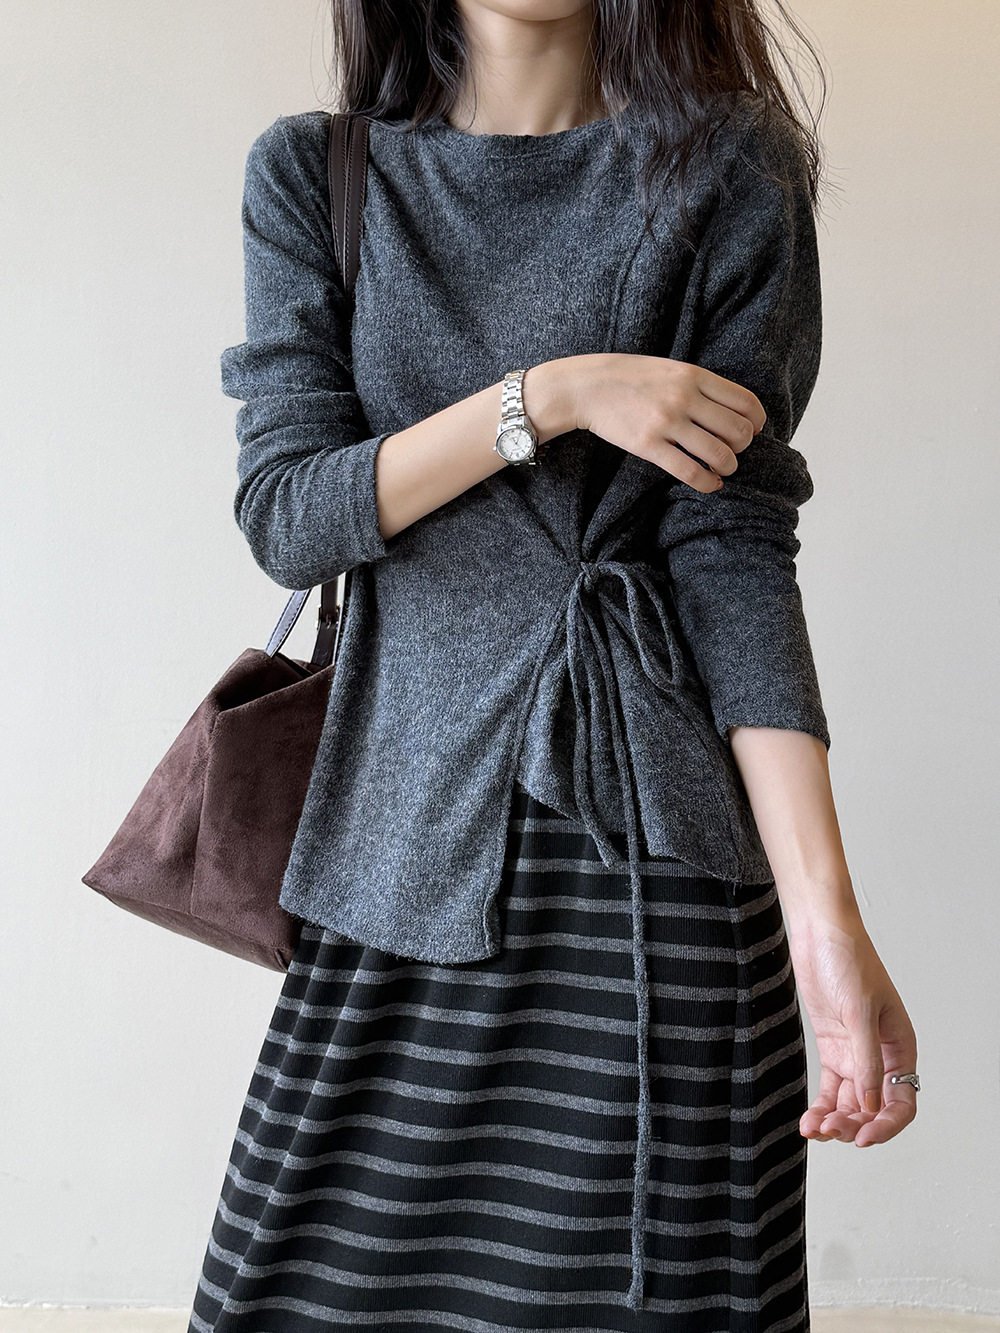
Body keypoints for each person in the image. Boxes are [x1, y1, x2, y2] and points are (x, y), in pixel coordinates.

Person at [188, 1, 919, 1329]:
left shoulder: (731, 169)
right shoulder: (317, 174)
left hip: (656, 878)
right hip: (401, 853)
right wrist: (554, 396)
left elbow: (735, 557)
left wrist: (829, 927)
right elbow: (291, 514)